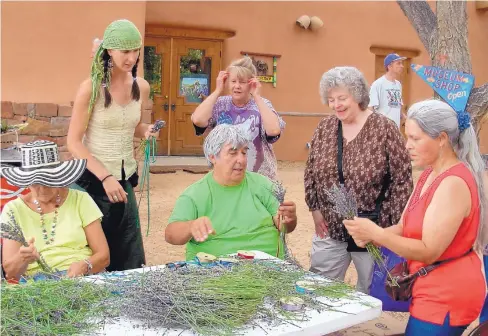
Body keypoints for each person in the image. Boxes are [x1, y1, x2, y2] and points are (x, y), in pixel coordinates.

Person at [344, 99, 487, 335]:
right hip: (428, 287)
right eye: (407, 136)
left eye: (415, 138)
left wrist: (377, 233)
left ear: (441, 139)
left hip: (447, 293)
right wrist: (370, 236)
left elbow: (429, 250)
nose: (407, 145)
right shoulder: (430, 173)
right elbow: (403, 226)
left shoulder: (453, 183)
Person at [304, 66, 413, 294]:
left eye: (342, 98)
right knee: (320, 287)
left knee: (371, 290)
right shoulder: (325, 127)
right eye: (331, 99)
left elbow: (401, 180)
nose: (336, 105)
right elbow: (311, 170)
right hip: (332, 227)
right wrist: (315, 209)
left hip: (372, 230)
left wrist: (389, 230)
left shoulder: (384, 128)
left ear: (358, 95)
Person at [67, 19, 159, 271]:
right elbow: (73, 142)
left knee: (130, 256)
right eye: (124, 51)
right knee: (94, 255)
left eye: (135, 50)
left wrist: (147, 131)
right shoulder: (91, 88)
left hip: (124, 178)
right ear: (109, 50)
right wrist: (105, 176)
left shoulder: (142, 86)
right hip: (91, 181)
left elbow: (135, 126)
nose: (131, 57)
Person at [165, 124, 297, 260]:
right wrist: (191, 226)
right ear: (213, 157)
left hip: (271, 269)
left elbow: (284, 226)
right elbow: (171, 234)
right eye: (233, 153)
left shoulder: (263, 185)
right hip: (216, 272)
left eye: (244, 152)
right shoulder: (194, 194)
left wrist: (289, 219)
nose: (241, 160)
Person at [0, 140, 109, 280]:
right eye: (36, 183)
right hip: (37, 284)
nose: (43, 189)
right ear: (27, 182)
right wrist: (22, 258)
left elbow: (103, 256)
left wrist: (86, 265)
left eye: (49, 181)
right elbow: (11, 273)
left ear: (59, 178)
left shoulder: (80, 199)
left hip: (82, 277)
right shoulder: (13, 210)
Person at [191, 56, 285, 181]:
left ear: (251, 83)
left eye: (242, 82)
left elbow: (273, 131)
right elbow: (198, 120)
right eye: (233, 81)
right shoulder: (220, 104)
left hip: (259, 180)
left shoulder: (262, 105)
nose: (237, 86)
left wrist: (257, 96)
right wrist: (218, 90)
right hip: (227, 179)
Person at [369, 53, 406, 128]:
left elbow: (398, 108)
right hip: (381, 129)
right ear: (389, 66)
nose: (402, 66)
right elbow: (370, 109)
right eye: (398, 63)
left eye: (401, 63)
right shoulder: (378, 84)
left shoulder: (398, 85)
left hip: (395, 129)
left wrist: (407, 119)